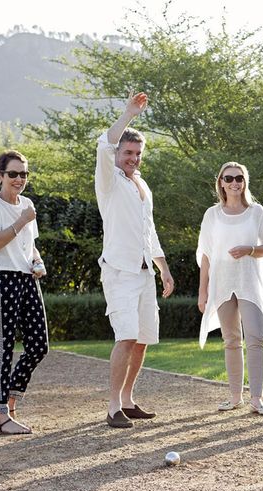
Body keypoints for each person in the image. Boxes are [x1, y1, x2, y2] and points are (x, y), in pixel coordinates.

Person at [96, 90, 175, 428]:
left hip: (144, 275)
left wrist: (164, 269)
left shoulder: (142, 185)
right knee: (126, 337)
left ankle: (128, 399)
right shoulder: (108, 181)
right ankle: (113, 407)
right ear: (118, 153)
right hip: (119, 273)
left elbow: (149, 231)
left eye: (138, 153)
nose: (133, 158)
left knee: (142, 340)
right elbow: (105, 143)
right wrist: (128, 114)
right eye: (128, 152)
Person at [197, 162, 263, 416]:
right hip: (222, 283)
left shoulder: (256, 212)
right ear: (220, 182)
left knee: (255, 337)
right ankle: (235, 397)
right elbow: (206, 255)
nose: (234, 183)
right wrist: (203, 290)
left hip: (250, 282)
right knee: (231, 340)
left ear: (245, 182)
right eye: (229, 178)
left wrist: (249, 250)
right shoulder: (212, 215)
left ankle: (257, 399)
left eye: (239, 178)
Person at [0, 150, 49, 435]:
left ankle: (11, 395)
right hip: (0, 278)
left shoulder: (28, 204)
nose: (19, 179)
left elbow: (30, 246)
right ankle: (1, 417)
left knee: (39, 345)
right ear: (0, 176)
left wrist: (38, 261)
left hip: (27, 278)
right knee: (3, 346)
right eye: (13, 174)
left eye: (23, 174)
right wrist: (21, 220)